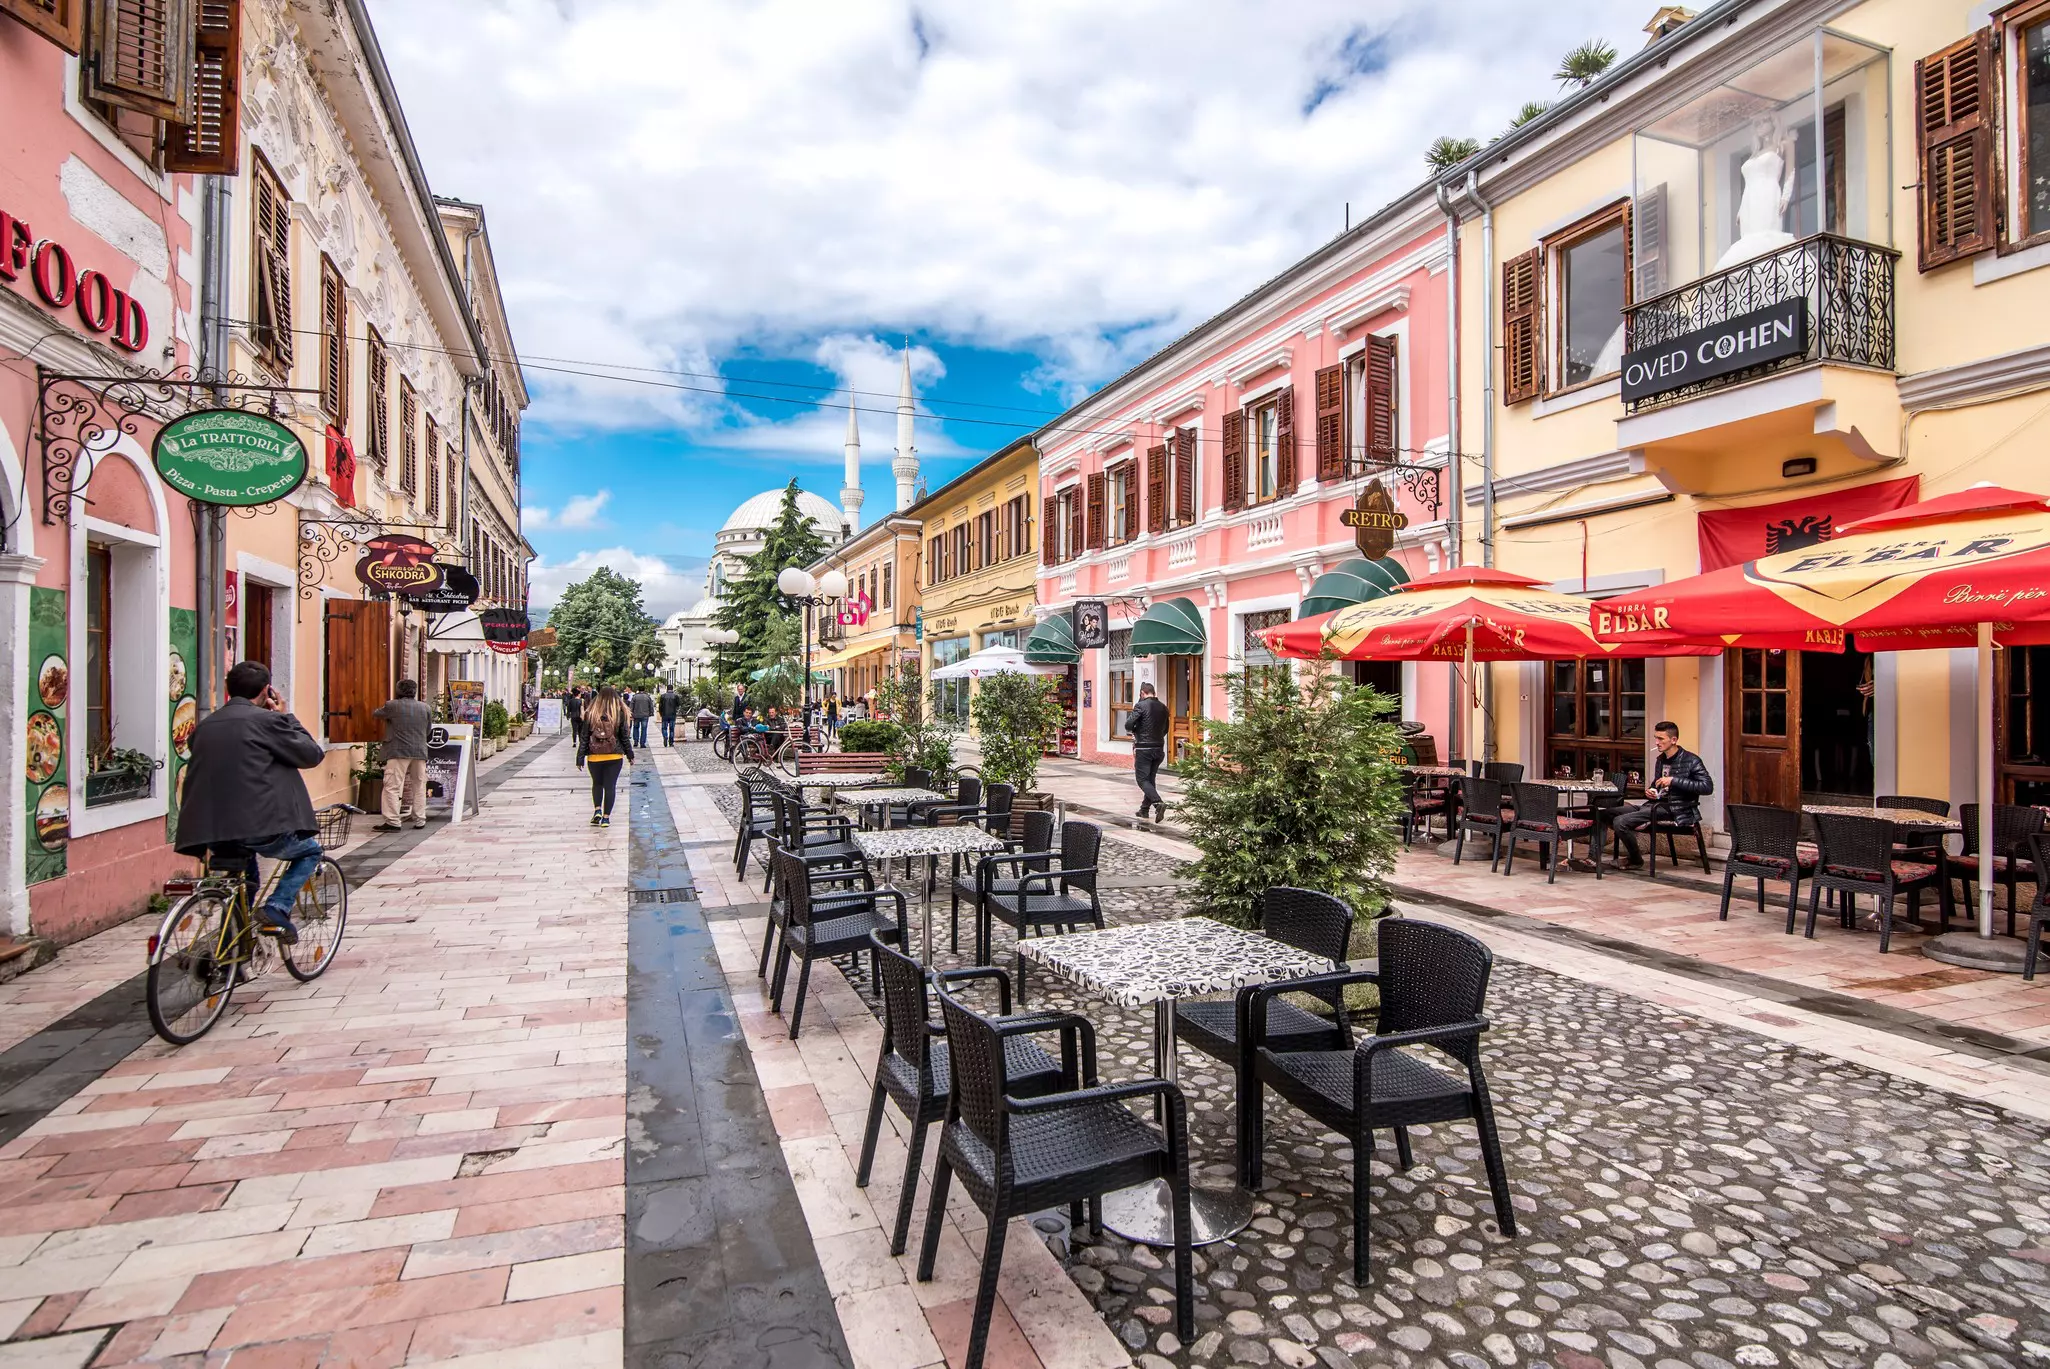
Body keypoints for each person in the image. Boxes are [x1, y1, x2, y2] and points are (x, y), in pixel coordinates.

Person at [174, 661, 326, 944]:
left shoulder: (205, 727)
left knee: (246, 880)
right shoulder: (268, 721)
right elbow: (311, 754)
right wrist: (286, 715)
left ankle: (230, 949)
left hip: (211, 828)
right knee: (310, 852)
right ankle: (277, 907)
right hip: (261, 825)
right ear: (267, 691)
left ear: (229, 689)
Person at [1607, 720, 1714, 869]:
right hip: (1654, 805)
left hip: (1676, 809)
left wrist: (1674, 781)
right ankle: (1594, 858)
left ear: (1673, 740)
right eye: (1655, 738)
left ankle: (1635, 860)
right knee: (1606, 814)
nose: (1656, 742)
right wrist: (1651, 791)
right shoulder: (1661, 760)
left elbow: (1707, 787)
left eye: (1660, 739)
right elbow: (1657, 784)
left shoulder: (1692, 760)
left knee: (1620, 821)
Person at [372, 678, 431, 831]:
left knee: (392, 785)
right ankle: (420, 819)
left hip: (398, 751)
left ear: (398, 691)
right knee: (419, 785)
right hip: (420, 751)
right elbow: (428, 730)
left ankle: (392, 821)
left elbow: (376, 714)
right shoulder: (425, 707)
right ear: (414, 691)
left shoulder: (392, 705)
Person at [579, 684, 634, 827]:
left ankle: (597, 809)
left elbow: (584, 737)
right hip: (614, 755)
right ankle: (606, 818)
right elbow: (624, 737)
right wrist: (630, 754)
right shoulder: (619, 713)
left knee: (597, 784)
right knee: (610, 786)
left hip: (594, 755)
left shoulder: (591, 713)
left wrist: (580, 757)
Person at [1126, 681, 1170, 822]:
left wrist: (1136, 730)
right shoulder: (1163, 707)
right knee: (1150, 779)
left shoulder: (1140, 706)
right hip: (1159, 748)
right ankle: (1144, 810)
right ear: (1154, 693)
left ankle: (1158, 803)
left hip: (1144, 749)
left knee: (1142, 779)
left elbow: (1128, 724)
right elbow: (1166, 729)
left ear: (1142, 693)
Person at [566, 686, 586, 770]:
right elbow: (583, 709)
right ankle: (581, 741)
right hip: (580, 717)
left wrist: (568, 715)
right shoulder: (581, 701)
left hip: (573, 716)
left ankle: (574, 742)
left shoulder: (571, 701)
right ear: (578, 694)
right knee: (581, 730)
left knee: (574, 730)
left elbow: (568, 709)